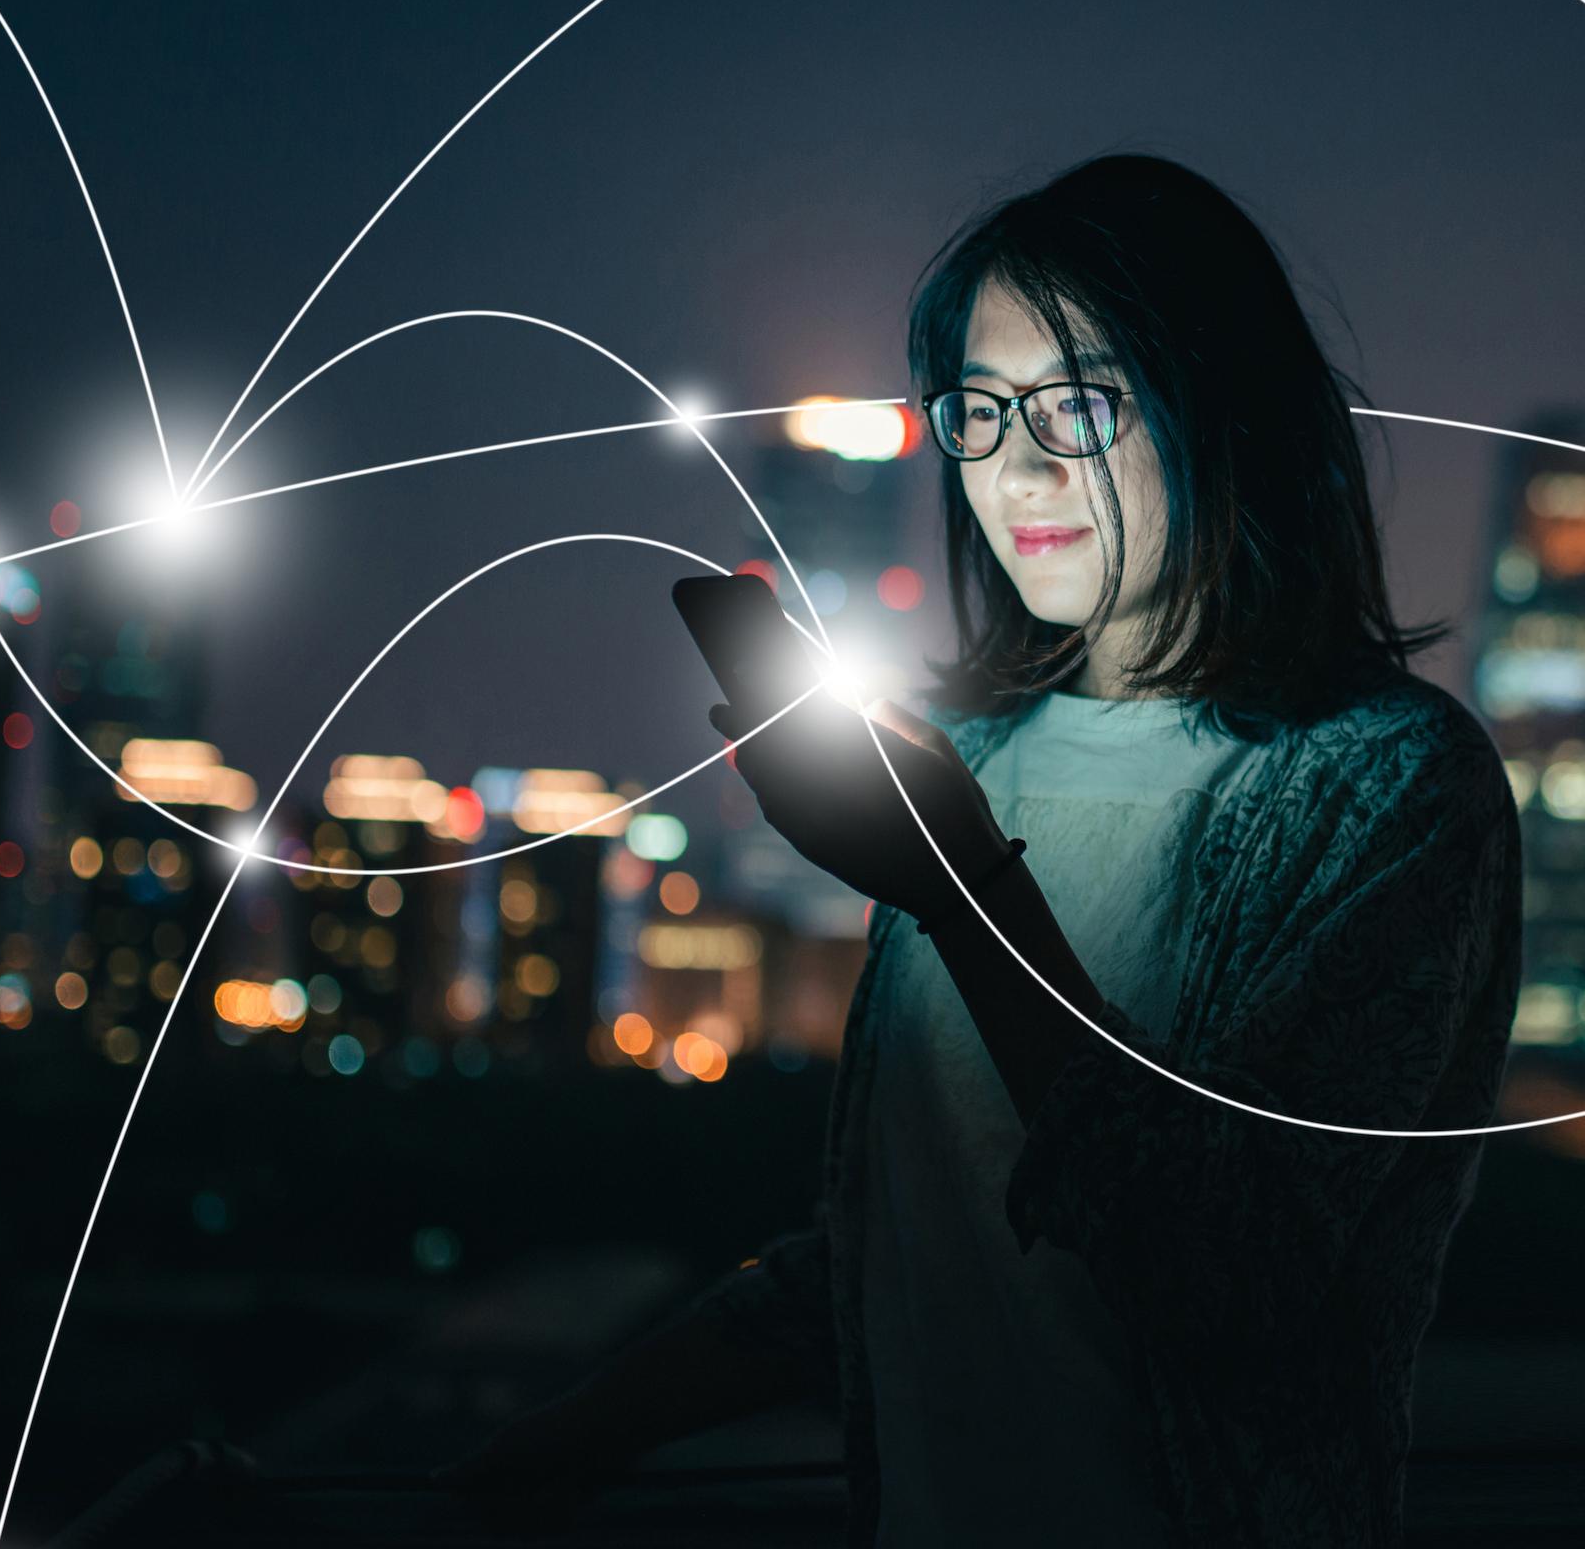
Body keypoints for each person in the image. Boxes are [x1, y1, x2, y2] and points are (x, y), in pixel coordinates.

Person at [451, 154, 1523, 1545]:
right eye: (979, 408)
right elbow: (911, 1244)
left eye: (1079, 402)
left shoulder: (1386, 786)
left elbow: (1233, 1274)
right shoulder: (977, 760)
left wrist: (962, 887)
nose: (1018, 465)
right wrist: (571, 1435)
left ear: (1227, 409)